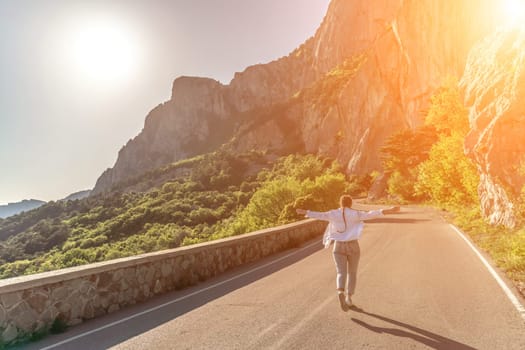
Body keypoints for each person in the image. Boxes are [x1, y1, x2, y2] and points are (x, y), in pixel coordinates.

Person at [296, 195, 400, 311]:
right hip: (352, 245)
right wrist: (389, 210)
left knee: (341, 272)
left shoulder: (333, 213)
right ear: (350, 203)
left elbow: (320, 215)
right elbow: (371, 214)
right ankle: (349, 298)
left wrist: (305, 212)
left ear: (340, 203)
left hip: (338, 246)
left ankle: (340, 291)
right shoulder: (356, 214)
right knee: (352, 273)